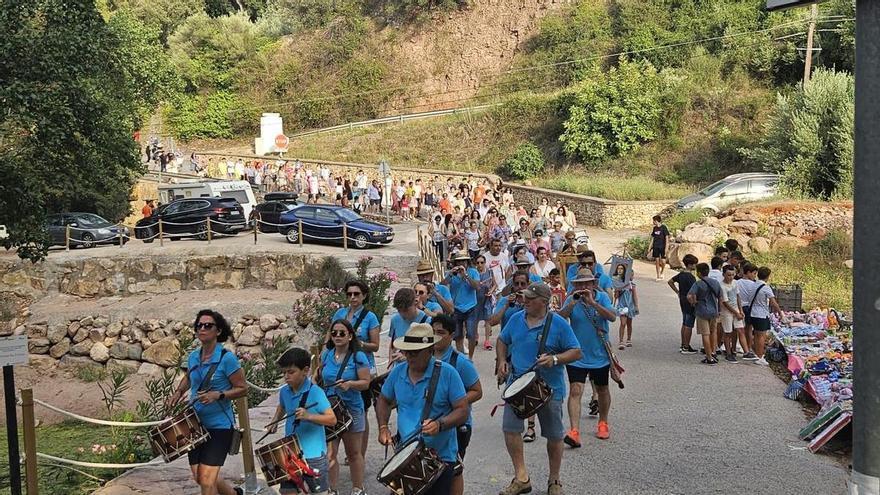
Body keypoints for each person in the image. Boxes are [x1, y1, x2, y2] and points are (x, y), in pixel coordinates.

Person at [495, 283, 582, 495]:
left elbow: (576, 352)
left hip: (548, 388)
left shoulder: (559, 324)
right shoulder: (516, 319)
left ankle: (554, 480)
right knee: (511, 429)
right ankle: (522, 476)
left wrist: (555, 358)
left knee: (554, 435)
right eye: (524, 297)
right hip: (517, 385)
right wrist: (501, 361)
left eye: (530, 298)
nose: (524, 301)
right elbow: (502, 340)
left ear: (543, 302)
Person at [376, 324, 469, 495]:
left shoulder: (448, 373)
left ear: (430, 349)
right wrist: (383, 427)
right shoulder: (397, 373)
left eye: (415, 352)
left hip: (440, 458)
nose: (409, 357)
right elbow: (383, 399)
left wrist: (440, 424)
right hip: (406, 454)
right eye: (407, 352)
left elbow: (463, 410)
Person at [166, 310, 247, 495]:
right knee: (199, 476)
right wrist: (178, 392)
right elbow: (188, 377)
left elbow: (242, 388)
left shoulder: (227, 358)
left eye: (207, 325)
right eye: (199, 325)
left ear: (218, 331)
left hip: (220, 425)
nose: (202, 329)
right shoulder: (194, 356)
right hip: (194, 424)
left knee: (207, 480)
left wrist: (217, 395)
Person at [557, 269, 617, 445]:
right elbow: (559, 319)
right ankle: (574, 430)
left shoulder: (603, 297)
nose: (583, 287)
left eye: (587, 283)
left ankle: (603, 422)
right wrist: (571, 304)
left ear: (593, 284)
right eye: (580, 284)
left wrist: (593, 303)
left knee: (602, 389)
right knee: (576, 389)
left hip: (599, 353)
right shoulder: (572, 299)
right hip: (577, 354)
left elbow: (612, 317)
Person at [265, 348, 336, 495]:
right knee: (287, 491)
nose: (286, 376)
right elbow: (282, 406)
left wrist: (309, 416)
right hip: (290, 452)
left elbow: (332, 419)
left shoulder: (316, 392)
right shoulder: (285, 391)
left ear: (305, 371)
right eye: (284, 372)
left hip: (313, 454)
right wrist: (275, 421)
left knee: (319, 492)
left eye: (291, 372)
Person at [431, 314, 483, 495]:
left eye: (441, 332)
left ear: (452, 335)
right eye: (433, 332)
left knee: (454, 470)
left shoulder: (460, 362)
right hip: (432, 424)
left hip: (458, 425)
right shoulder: (424, 359)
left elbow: (477, 391)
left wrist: (457, 401)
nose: (436, 336)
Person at [318, 319, 371, 495]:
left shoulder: (358, 356)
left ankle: (358, 488)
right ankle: (332, 489)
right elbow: (319, 376)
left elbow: (366, 382)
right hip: (331, 408)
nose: (338, 336)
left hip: (352, 408)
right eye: (334, 333)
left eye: (342, 333)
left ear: (350, 336)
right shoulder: (326, 355)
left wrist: (350, 384)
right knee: (330, 453)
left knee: (353, 452)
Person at [332, 280, 381, 458]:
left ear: (364, 296)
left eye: (356, 294)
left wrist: (358, 343)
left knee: (361, 410)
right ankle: (348, 449)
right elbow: (330, 338)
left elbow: (375, 345)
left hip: (362, 366)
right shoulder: (340, 313)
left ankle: (359, 452)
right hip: (340, 367)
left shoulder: (370, 317)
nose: (352, 297)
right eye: (349, 294)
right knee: (339, 408)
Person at [442, 253, 481, 359]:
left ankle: (470, 358)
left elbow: (477, 287)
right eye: (459, 261)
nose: (461, 263)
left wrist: (466, 276)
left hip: (471, 307)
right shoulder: (452, 274)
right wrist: (450, 274)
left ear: (467, 262)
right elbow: (442, 286)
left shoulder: (473, 272)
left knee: (471, 334)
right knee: (458, 335)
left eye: (464, 261)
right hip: (456, 308)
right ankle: (461, 357)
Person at [687, 263, 722, 365]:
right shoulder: (715, 283)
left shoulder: (698, 284)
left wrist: (693, 302)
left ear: (698, 273)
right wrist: (719, 310)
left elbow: (690, 295)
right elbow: (720, 297)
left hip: (702, 311)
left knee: (705, 334)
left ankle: (709, 357)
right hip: (714, 311)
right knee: (713, 332)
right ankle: (713, 352)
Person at [749, 266, 784, 366]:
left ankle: (757, 354)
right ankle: (760, 357)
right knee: (761, 336)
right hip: (761, 314)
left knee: (756, 335)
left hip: (753, 313)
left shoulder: (753, 285)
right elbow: (773, 302)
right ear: (768, 276)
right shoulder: (765, 287)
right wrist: (780, 313)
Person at [388, 288, 429, 366]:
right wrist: (390, 360)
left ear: (415, 303)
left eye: (406, 310)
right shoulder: (395, 319)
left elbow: (429, 351)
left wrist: (406, 357)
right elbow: (393, 344)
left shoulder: (427, 321)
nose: (403, 314)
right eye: (399, 310)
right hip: (399, 367)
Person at [668, 254, 699, 354]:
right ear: (690, 265)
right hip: (689, 301)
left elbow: (670, 281)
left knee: (685, 322)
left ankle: (683, 344)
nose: (695, 266)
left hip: (682, 299)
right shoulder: (691, 277)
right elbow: (693, 292)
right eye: (694, 264)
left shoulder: (681, 274)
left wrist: (677, 292)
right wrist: (695, 302)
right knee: (689, 324)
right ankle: (686, 346)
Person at [718, 265, 743, 363]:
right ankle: (728, 353)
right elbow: (725, 302)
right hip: (726, 311)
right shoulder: (721, 286)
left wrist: (740, 310)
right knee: (727, 332)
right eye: (729, 275)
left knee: (738, 330)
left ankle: (734, 349)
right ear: (724, 274)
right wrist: (736, 313)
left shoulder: (735, 283)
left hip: (736, 309)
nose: (731, 277)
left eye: (733, 275)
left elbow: (738, 296)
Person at [736, 263, 759, 361]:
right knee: (749, 330)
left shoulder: (737, 282)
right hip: (749, 307)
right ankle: (748, 349)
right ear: (748, 272)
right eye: (754, 273)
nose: (755, 276)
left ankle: (737, 347)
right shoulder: (754, 285)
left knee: (739, 329)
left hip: (739, 307)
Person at [612, 263, 639, 350]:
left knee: (629, 324)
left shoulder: (632, 285)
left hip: (630, 306)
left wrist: (636, 306)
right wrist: (617, 291)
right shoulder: (620, 285)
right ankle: (621, 341)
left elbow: (635, 296)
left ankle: (628, 339)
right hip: (622, 306)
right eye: (630, 275)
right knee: (623, 323)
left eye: (632, 275)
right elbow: (616, 296)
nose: (632, 277)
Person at [474, 254, 497, 351]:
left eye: (482, 262)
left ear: (485, 263)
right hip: (476, 298)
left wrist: (491, 291)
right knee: (475, 319)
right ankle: (475, 336)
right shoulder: (474, 273)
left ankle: (487, 340)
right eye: (478, 263)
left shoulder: (490, 272)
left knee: (488, 319)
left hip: (487, 298)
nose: (480, 265)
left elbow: (495, 284)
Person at [649, 215, 670, 281]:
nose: (653, 222)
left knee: (663, 261)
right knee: (657, 261)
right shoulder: (654, 228)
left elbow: (667, 238)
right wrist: (650, 247)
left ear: (656, 221)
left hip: (662, 247)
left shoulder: (664, 227)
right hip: (656, 247)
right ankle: (658, 275)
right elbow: (653, 238)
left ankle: (662, 272)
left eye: (653, 221)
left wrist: (666, 247)